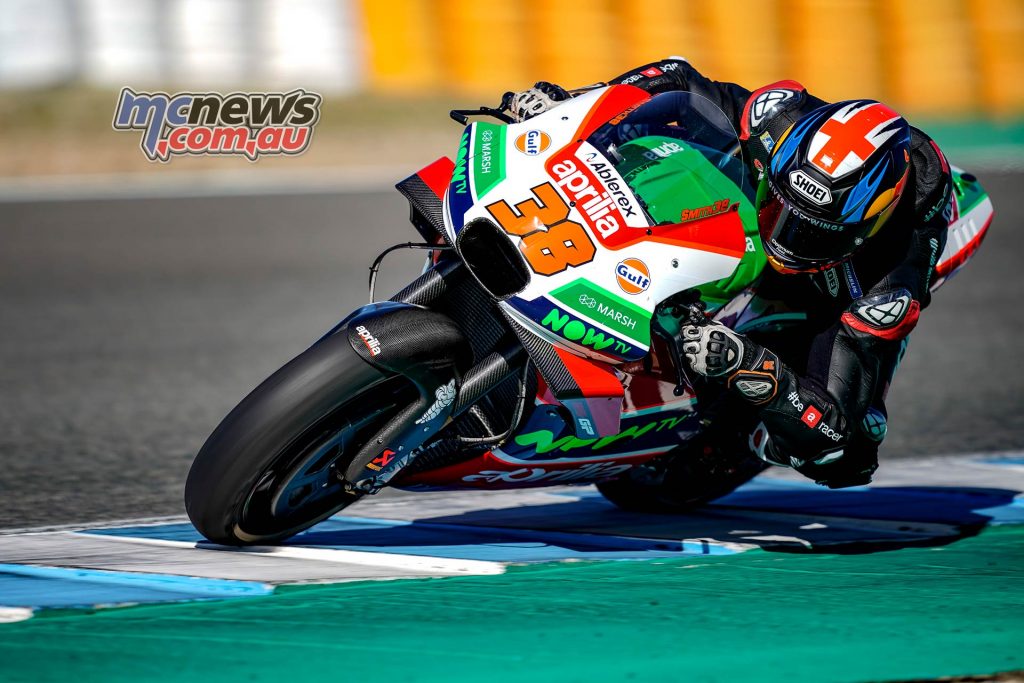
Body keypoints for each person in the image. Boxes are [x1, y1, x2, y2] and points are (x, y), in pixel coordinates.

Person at [506, 58, 963, 490]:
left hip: (831, 294)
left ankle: (733, 434)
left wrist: (752, 367)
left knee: (847, 450)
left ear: (865, 228)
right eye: (784, 211)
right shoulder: (778, 120)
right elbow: (677, 77)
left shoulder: (887, 280)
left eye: (811, 233)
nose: (788, 236)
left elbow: (837, 437)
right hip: (775, 194)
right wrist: (572, 107)